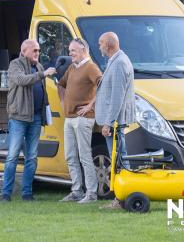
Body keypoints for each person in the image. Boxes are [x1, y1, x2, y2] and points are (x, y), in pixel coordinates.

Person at [1, 39, 56, 202]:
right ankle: (6, 193)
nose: (37, 53)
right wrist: (42, 74)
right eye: (34, 50)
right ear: (24, 51)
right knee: (12, 156)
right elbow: (21, 80)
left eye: (38, 50)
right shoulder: (15, 65)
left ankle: (27, 193)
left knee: (31, 157)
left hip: (36, 117)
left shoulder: (38, 66)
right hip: (19, 117)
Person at [58, 38, 102, 203]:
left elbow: (103, 84)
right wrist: (64, 103)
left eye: (73, 51)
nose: (70, 54)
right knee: (70, 156)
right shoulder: (72, 67)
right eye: (70, 51)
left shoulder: (90, 67)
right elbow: (60, 85)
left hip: (83, 119)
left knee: (84, 156)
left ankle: (91, 194)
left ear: (83, 50)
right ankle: (76, 191)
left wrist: (90, 105)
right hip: (69, 118)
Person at [95, 32, 135, 208]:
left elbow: (117, 97)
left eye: (100, 43)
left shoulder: (119, 63)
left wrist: (108, 122)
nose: (99, 46)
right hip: (114, 122)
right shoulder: (115, 60)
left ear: (108, 45)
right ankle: (121, 198)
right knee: (119, 158)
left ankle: (122, 198)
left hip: (115, 123)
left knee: (119, 160)